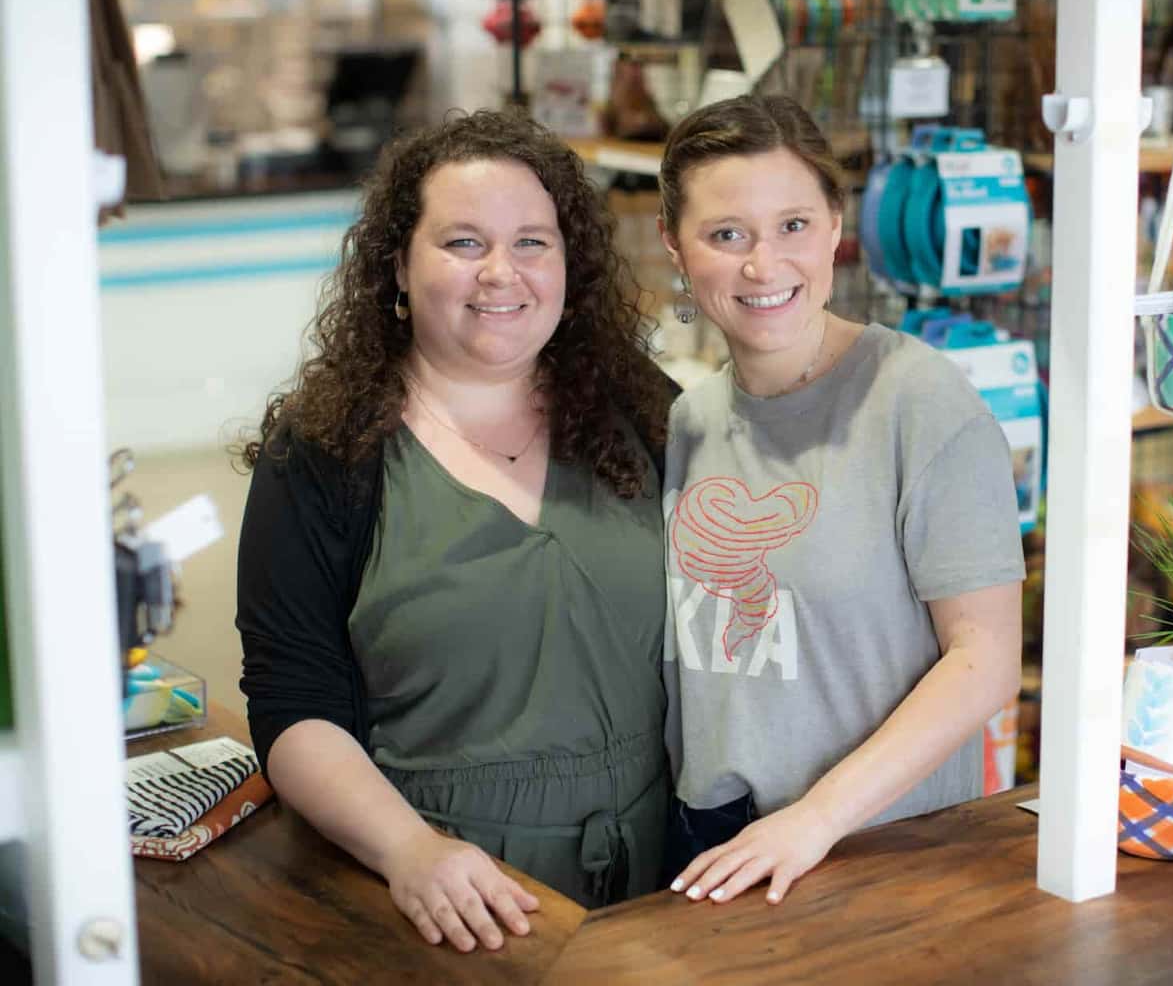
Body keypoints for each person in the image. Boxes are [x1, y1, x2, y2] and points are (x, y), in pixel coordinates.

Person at [235, 110, 675, 952]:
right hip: (448, 892)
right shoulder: (326, 453)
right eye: (463, 242)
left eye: (532, 242)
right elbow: (293, 705)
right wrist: (408, 852)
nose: (501, 273)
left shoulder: (642, 411)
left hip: (656, 878)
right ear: (398, 265)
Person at [654, 95, 1024, 906]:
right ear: (675, 248)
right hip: (714, 844)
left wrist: (816, 819)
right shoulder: (689, 421)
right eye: (727, 235)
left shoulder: (920, 402)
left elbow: (985, 659)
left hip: (879, 849)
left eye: (792, 225)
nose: (764, 265)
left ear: (833, 226)